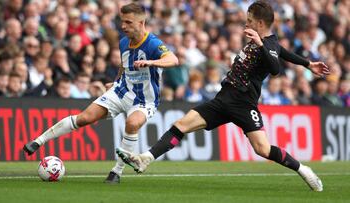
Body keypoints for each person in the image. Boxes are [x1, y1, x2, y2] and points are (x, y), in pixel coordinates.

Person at [116, 1, 329, 192]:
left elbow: (275, 68)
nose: (246, 24)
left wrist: (261, 43)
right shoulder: (270, 44)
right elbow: (284, 52)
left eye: (250, 21)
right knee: (181, 124)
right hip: (223, 99)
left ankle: (302, 169)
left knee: (262, 149)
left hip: (244, 104)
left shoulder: (268, 44)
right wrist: (308, 64)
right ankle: (146, 159)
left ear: (261, 24)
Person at [23, 2, 179, 184]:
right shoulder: (123, 43)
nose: (123, 26)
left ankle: (116, 172)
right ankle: (38, 141)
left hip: (144, 100)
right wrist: (116, 81)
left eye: (128, 22)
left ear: (141, 22)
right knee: (84, 118)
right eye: (122, 22)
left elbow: (173, 59)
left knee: (132, 123)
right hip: (120, 91)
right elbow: (124, 64)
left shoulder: (153, 44)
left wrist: (151, 62)